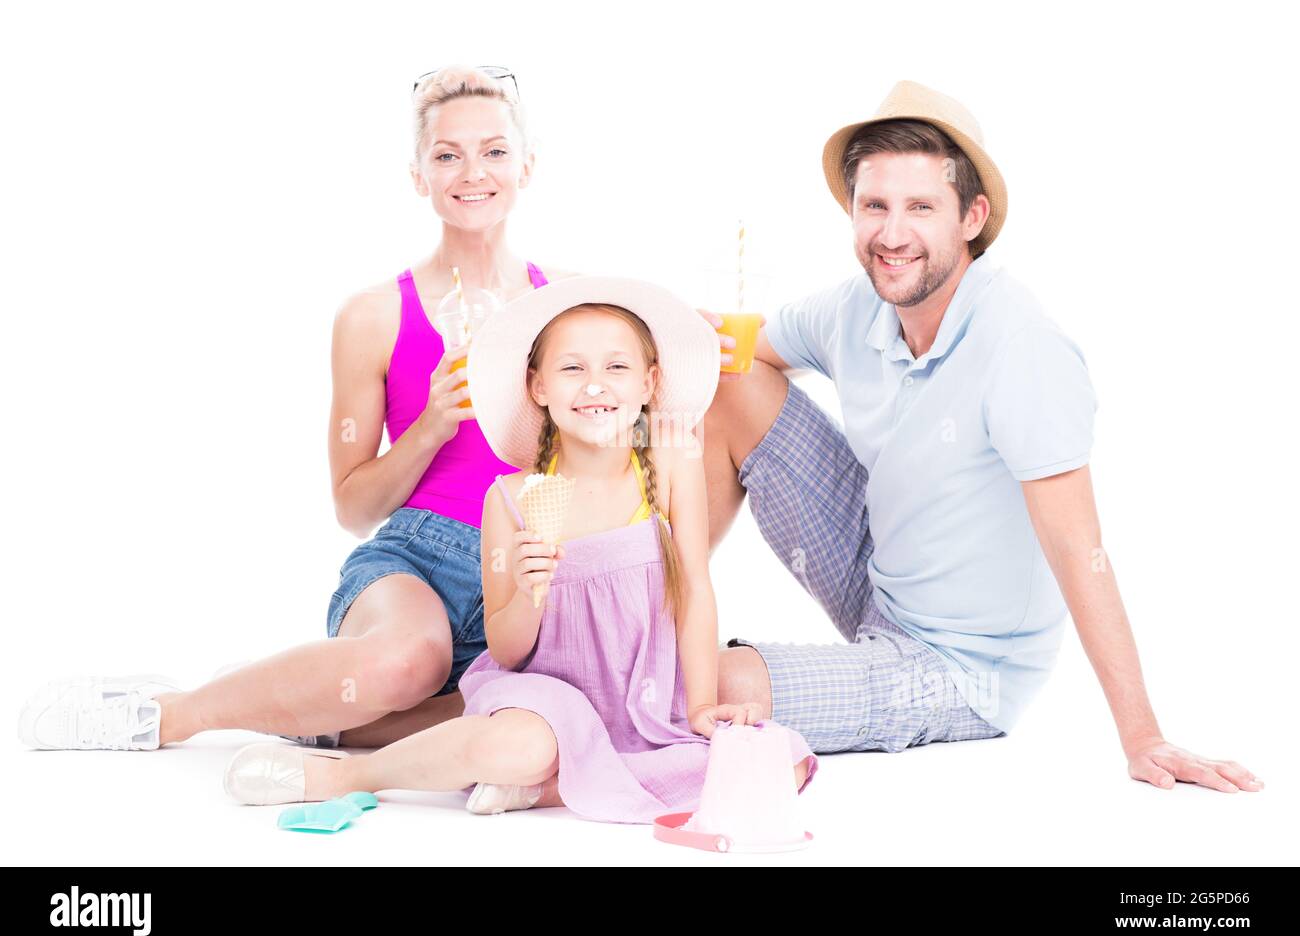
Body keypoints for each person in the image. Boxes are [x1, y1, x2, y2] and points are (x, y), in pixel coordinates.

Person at [702, 80, 1263, 793]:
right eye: (874, 206)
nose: (892, 234)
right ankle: (660, 602)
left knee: (721, 683)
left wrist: (1142, 734)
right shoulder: (855, 307)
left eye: (920, 208)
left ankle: (664, 673)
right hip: (877, 576)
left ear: (972, 216)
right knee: (729, 373)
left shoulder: (1020, 347)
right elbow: (729, 354)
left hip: (959, 667)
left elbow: (1077, 548)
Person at [19, 66, 574, 752]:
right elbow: (353, 507)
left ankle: (296, 700)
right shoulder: (373, 316)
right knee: (408, 662)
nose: (473, 172)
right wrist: (431, 425)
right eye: (446, 155)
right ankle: (168, 713)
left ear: (528, 165)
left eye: (494, 150)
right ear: (418, 175)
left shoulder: (571, 307)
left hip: (530, 565)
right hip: (419, 565)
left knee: (547, 711)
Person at [222, 276, 818, 822]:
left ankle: (544, 786)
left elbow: (693, 589)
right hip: (546, 699)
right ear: (537, 387)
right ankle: (347, 774)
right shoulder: (511, 498)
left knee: (779, 762)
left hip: (646, 694)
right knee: (520, 745)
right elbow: (507, 649)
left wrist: (699, 709)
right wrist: (531, 591)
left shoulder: (670, 464)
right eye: (571, 369)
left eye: (616, 366)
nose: (594, 385)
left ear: (649, 382)